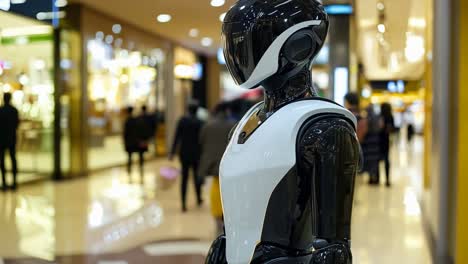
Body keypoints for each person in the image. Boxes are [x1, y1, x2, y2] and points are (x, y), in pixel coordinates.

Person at [206, 1, 360, 263]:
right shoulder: (248, 121)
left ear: (300, 43)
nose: (238, 54)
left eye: (247, 42)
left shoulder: (326, 127)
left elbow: (334, 251)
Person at [199, 102, 236, 236]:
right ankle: (226, 217)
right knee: (227, 190)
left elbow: (201, 141)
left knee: (215, 187)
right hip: (228, 162)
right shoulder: (232, 124)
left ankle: (217, 218)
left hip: (213, 163)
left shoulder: (209, 125)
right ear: (226, 111)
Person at [170, 101, 204, 212]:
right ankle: (198, 198)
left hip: (184, 154)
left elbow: (177, 137)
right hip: (196, 154)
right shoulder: (200, 122)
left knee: (184, 178)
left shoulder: (182, 121)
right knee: (196, 177)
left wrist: (172, 152)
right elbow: (202, 140)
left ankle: (183, 204)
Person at [0, 93, 19, 191]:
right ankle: (14, 182)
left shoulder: (1, 110)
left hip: (2, 139)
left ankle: (4, 183)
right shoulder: (14, 110)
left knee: (2, 161)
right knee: (13, 159)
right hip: (11, 138)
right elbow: (17, 124)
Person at [123, 106, 147, 182]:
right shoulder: (136, 120)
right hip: (136, 141)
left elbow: (125, 133)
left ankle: (130, 169)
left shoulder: (128, 121)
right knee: (139, 155)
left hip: (131, 142)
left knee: (130, 156)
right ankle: (140, 168)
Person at [361, 105, 382, 185]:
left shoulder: (367, 118)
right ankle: (376, 178)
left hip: (369, 142)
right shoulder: (377, 118)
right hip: (376, 141)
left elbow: (365, 130)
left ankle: (371, 178)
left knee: (370, 160)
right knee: (375, 161)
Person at [380, 102, 395, 187]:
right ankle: (387, 179)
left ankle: (376, 178)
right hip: (386, 139)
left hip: (379, 139)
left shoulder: (380, 116)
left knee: (378, 159)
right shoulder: (390, 117)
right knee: (386, 160)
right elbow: (392, 129)